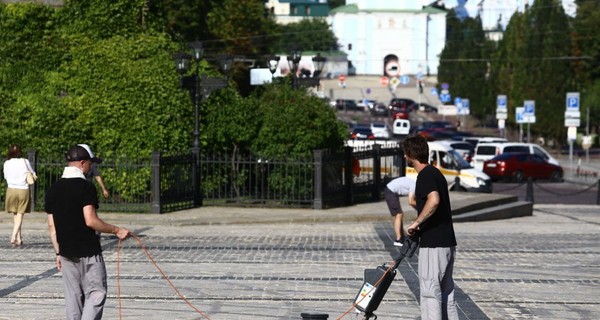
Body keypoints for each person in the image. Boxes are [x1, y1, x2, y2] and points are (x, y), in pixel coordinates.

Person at [45, 144, 131, 319]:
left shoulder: (53, 189)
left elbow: (52, 227)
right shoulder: (85, 187)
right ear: (82, 163)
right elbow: (90, 220)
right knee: (96, 292)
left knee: (73, 296)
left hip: (66, 251)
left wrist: (58, 252)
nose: (92, 167)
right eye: (91, 163)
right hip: (87, 250)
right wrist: (117, 230)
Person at [403, 135, 458, 320]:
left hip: (433, 244)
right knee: (446, 292)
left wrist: (416, 223)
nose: (404, 158)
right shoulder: (436, 173)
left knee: (429, 292)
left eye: (405, 154)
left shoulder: (425, 175)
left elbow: (434, 200)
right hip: (447, 242)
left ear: (411, 154)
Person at [3, 144, 36, 247]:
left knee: (15, 214)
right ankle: (14, 236)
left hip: (11, 189)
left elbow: (5, 176)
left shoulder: (7, 163)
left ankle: (19, 238)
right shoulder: (24, 161)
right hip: (23, 189)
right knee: (20, 214)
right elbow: (32, 172)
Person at [384, 176, 415, 247]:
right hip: (391, 191)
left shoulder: (413, 183)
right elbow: (411, 201)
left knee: (399, 214)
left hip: (391, 191)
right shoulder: (414, 186)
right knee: (399, 214)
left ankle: (401, 237)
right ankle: (398, 239)